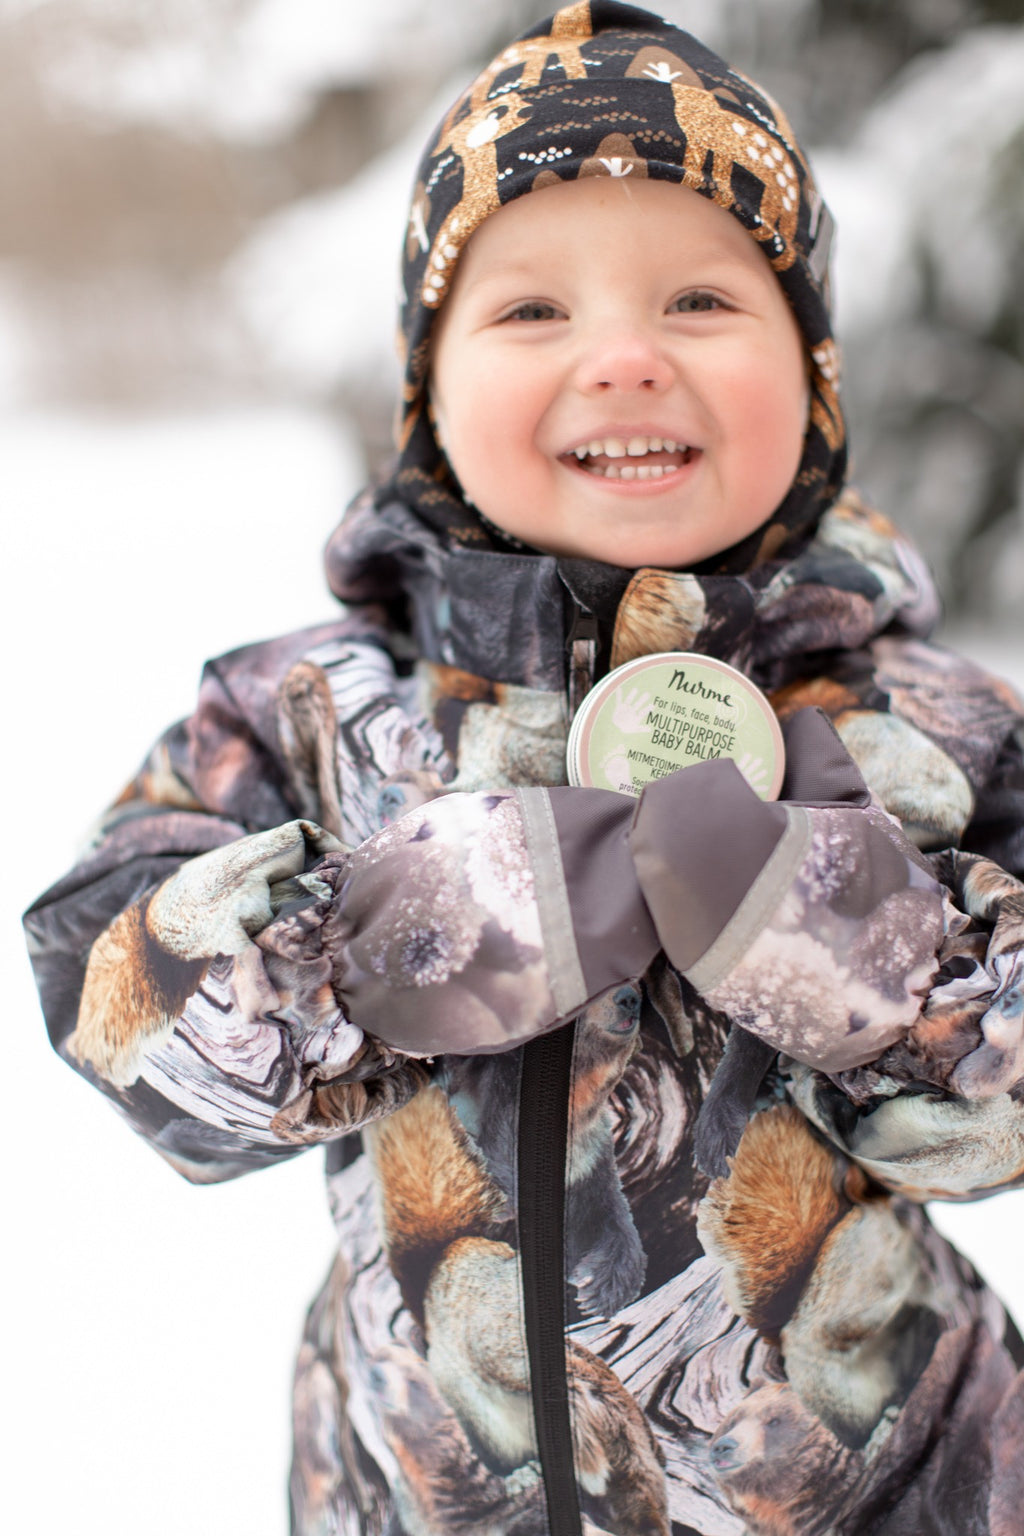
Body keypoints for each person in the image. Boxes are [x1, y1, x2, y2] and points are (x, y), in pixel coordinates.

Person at [23, 4, 1024, 1533]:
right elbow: (104, 991)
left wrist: (869, 959)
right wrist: (373, 948)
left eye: (699, 299)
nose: (622, 358)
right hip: (417, 1490)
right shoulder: (314, 707)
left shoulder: (925, 724)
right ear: (427, 391)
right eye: (532, 312)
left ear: (813, 378)